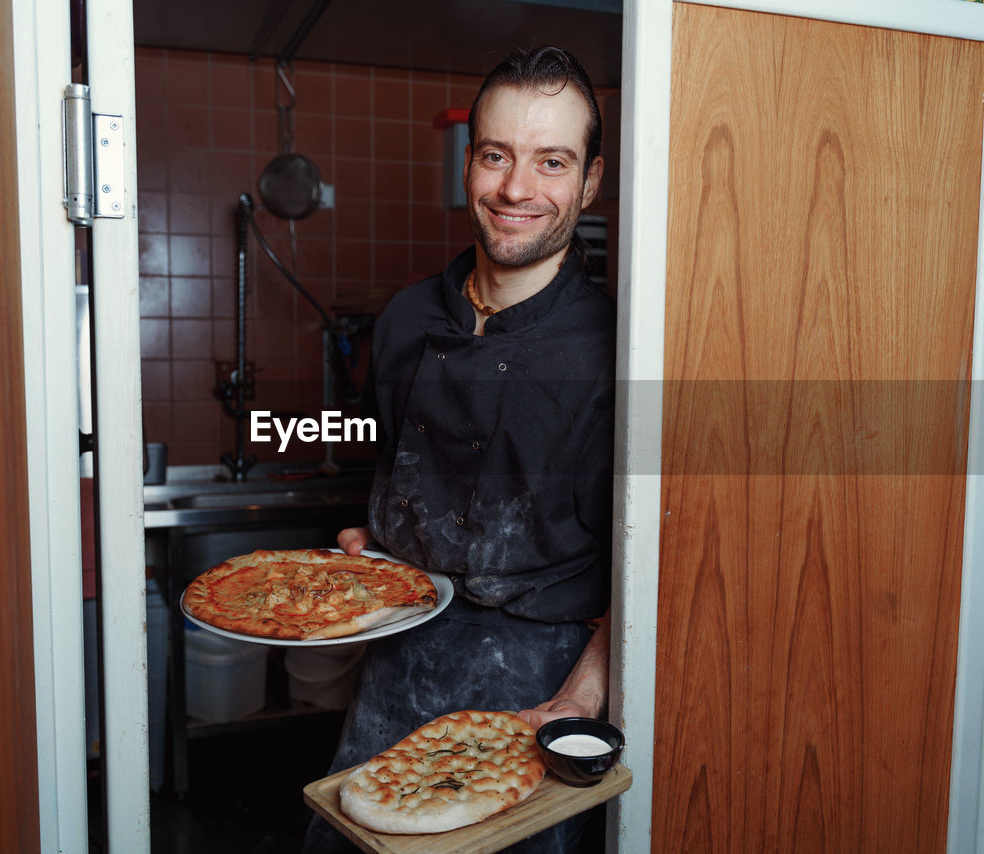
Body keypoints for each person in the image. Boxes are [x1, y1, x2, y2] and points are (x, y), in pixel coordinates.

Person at [303, 45, 614, 853]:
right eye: (496, 156)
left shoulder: (620, 347)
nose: (516, 189)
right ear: (468, 162)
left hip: (542, 685)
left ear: (590, 182)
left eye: (553, 161)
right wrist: (369, 535)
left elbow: (660, 559)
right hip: (398, 658)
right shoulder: (406, 318)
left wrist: (583, 693)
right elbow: (386, 464)